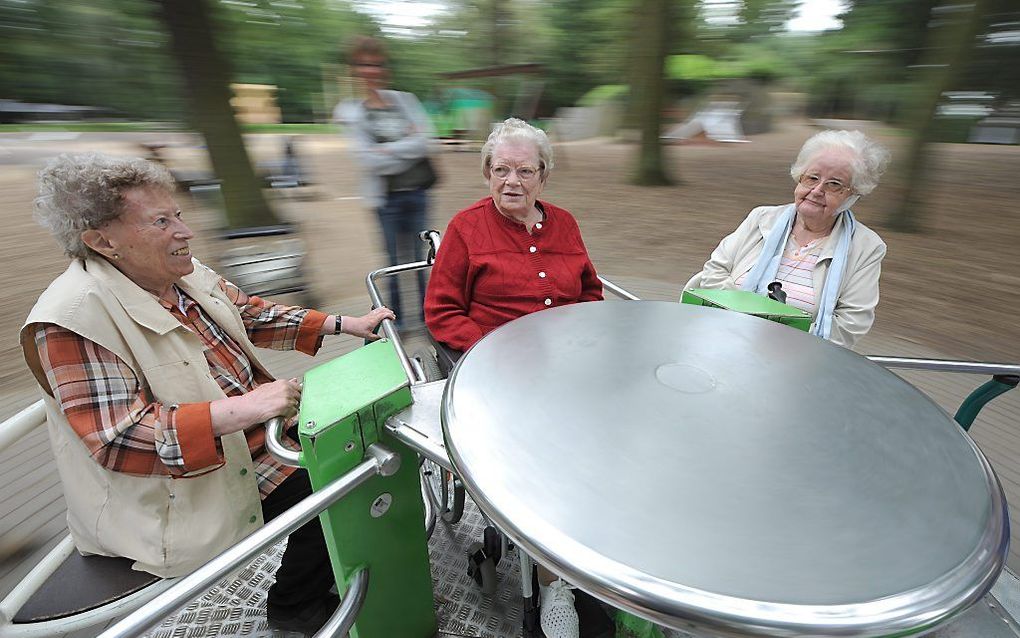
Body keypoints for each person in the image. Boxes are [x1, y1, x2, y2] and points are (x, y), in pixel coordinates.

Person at [21, 153, 394, 635]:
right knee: (348, 481)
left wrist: (344, 323)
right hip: (191, 483)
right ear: (102, 242)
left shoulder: (180, 273)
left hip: (257, 435)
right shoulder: (70, 319)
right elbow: (119, 439)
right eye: (161, 221)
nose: (185, 231)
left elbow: (250, 314)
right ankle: (295, 607)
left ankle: (333, 574)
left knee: (369, 439)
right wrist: (245, 409)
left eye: (177, 214)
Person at [424, 118, 603, 638]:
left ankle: (600, 548)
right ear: (486, 172)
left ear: (543, 176)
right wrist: (494, 350)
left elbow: (590, 291)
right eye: (501, 169)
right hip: (498, 369)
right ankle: (555, 584)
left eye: (525, 170)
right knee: (550, 459)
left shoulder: (564, 224)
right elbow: (441, 312)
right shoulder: (466, 227)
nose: (512, 182)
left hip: (568, 365)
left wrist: (581, 340)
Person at [684, 129, 891, 349]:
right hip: (723, 336)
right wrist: (742, 321)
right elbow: (715, 271)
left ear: (853, 194)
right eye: (812, 178)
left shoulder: (867, 247)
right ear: (799, 177)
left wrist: (777, 338)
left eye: (834, 184)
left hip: (797, 358)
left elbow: (851, 324)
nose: (817, 190)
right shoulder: (761, 218)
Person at [334, 35, 435, 329]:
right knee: (392, 263)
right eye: (364, 64)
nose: (370, 70)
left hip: (417, 193)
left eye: (376, 64)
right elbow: (367, 159)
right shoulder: (351, 111)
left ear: (384, 68)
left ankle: (428, 318)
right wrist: (405, 145)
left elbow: (425, 142)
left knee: (421, 262)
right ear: (355, 69)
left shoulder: (405, 100)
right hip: (386, 200)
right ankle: (397, 322)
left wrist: (387, 149)